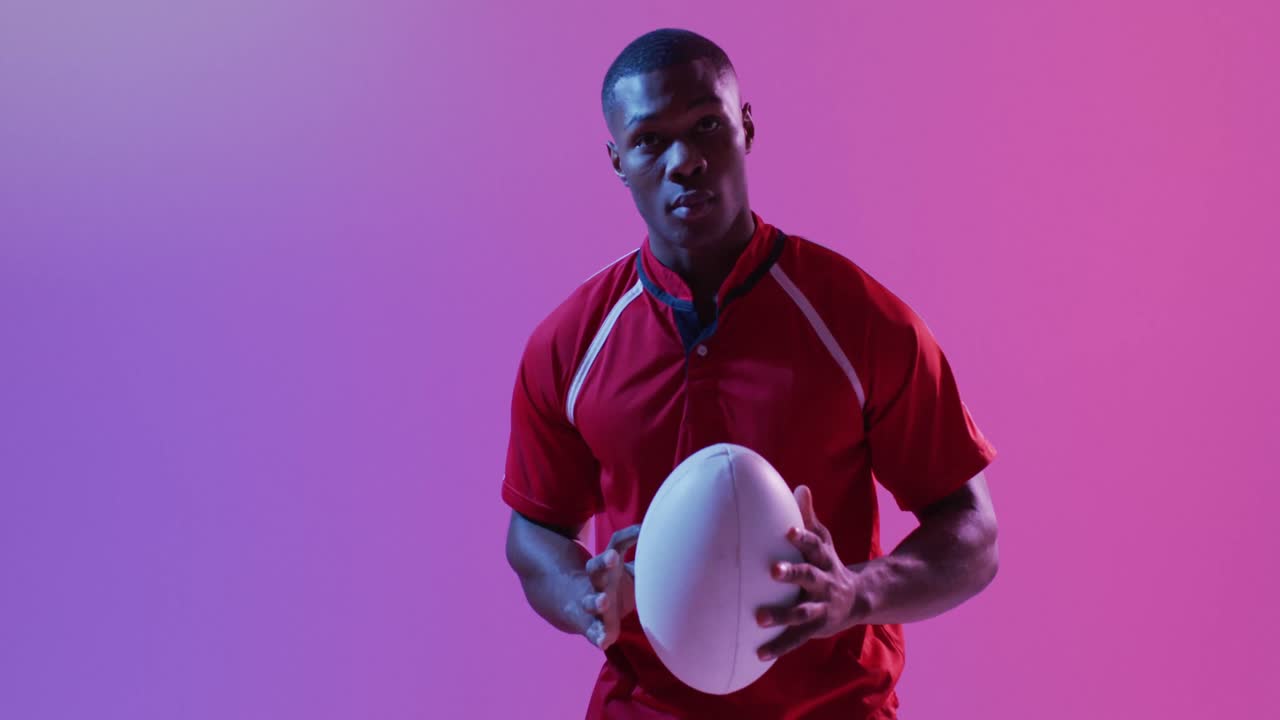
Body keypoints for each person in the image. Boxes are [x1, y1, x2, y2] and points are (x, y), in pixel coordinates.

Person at [501, 27, 1000, 720]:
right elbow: (533, 531)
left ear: (746, 128)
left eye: (707, 124)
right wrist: (584, 595)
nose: (685, 161)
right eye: (649, 140)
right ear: (618, 160)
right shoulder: (569, 343)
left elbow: (973, 532)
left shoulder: (860, 321)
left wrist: (858, 592)